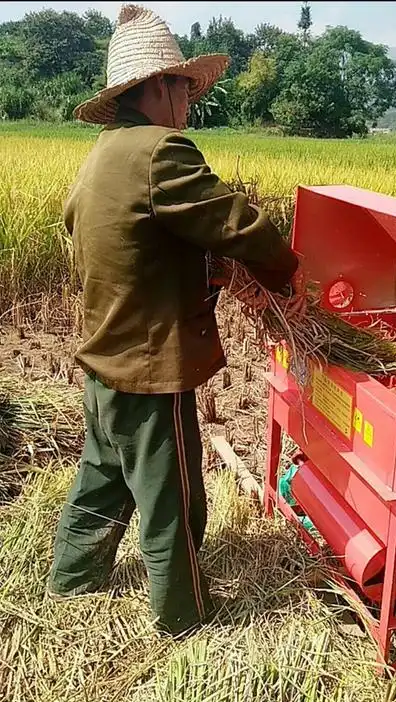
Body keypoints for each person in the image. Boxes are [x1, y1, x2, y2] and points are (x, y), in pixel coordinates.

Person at [48, 4, 303, 637]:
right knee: (173, 498)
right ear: (157, 87)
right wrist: (287, 277)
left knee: (102, 479)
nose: (188, 102)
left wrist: (194, 271)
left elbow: (112, 238)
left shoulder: (103, 154)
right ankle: (184, 622)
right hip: (147, 368)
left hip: (103, 361)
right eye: (184, 88)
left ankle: (70, 582)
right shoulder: (163, 152)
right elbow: (237, 221)